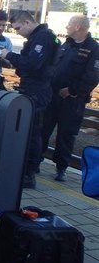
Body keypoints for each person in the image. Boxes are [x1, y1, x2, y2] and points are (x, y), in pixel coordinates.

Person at [0, 11, 60, 188]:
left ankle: (29, 173)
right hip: (33, 89)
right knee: (29, 131)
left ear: (26, 22)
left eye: (18, 28)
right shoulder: (37, 38)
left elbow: (33, 64)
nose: (17, 32)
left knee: (33, 132)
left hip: (37, 92)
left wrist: (9, 55)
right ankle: (27, 169)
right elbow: (27, 65)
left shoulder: (43, 38)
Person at [42, 15, 99, 182]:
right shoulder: (67, 44)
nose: (66, 27)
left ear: (78, 27)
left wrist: (72, 90)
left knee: (66, 134)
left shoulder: (94, 48)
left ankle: (61, 168)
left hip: (73, 100)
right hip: (53, 96)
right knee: (44, 129)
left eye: (69, 24)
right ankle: (35, 161)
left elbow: (93, 76)